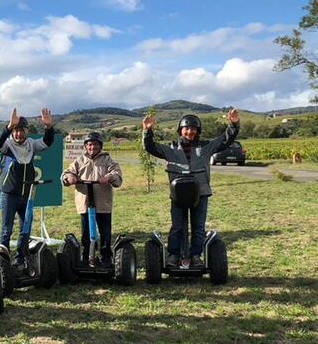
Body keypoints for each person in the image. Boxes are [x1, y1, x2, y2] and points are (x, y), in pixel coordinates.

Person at [142, 109, 240, 267]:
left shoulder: (206, 147)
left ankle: (195, 256)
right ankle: (174, 255)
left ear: (198, 131)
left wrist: (234, 124)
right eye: (186, 129)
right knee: (177, 227)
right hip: (178, 193)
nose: (190, 132)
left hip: (200, 192)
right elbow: (150, 147)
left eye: (193, 129)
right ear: (180, 130)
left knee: (198, 227)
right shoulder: (171, 149)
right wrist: (147, 131)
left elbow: (225, 140)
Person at [0, 107, 55, 267]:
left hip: (27, 194)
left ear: (27, 131)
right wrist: (8, 127)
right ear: (13, 131)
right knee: (6, 230)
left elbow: (47, 142)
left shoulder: (32, 144)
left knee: (25, 229)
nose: (19, 134)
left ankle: (20, 258)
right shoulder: (7, 145)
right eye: (16, 130)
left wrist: (48, 127)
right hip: (9, 194)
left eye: (22, 130)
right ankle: (3, 261)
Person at [61, 132, 123, 268]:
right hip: (85, 203)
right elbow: (66, 174)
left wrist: (109, 177)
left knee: (105, 232)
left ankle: (106, 257)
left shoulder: (107, 160)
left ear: (100, 146)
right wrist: (69, 178)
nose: (92, 147)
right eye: (89, 145)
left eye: (95, 144)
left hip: (102, 203)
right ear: (85, 146)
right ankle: (88, 256)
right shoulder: (79, 161)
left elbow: (117, 176)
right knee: (86, 233)